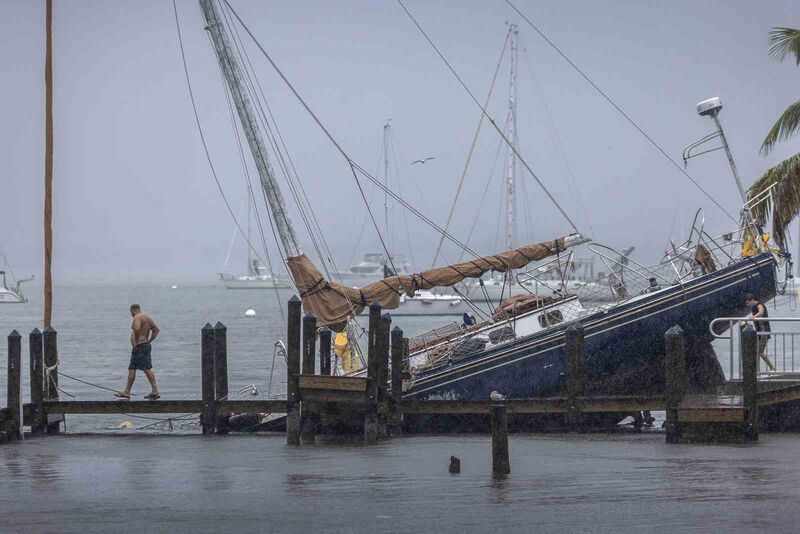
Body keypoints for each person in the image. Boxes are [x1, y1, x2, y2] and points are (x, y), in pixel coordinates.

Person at [116, 304, 161, 399]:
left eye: (131, 313)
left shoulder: (137, 317)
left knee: (143, 369)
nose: (131, 315)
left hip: (140, 347)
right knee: (137, 368)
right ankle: (128, 391)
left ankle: (153, 390)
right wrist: (149, 340)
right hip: (144, 346)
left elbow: (136, 328)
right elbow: (156, 330)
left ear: (133, 310)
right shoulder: (147, 317)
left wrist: (136, 341)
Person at [743, 293, 776, 372]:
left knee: (759, 351)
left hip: (764, 332)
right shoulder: (754, 307)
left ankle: (770, 368)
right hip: (759, 332)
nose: (748, 305)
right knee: (757, 351)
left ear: (752, 300)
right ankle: (757, 370)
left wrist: (752, 318)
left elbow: (761, 312)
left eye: (748, 303)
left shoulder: (759, 305)